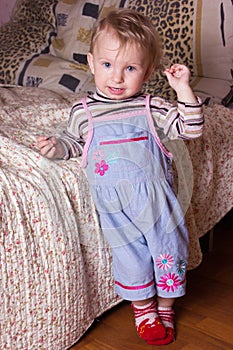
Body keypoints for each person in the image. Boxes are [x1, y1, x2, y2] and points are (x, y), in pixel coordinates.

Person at [37, 8, 204, 346]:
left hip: (157, 203)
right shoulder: (83, 112)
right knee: (131, 258)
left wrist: (183, 89)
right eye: (108, 65)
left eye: (130, 68)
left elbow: (192, 128)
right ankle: (144, 310)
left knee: (168, 250)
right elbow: (74, 141)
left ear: (147, 72)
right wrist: (57, 147)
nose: (116, 78)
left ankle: (166, 306)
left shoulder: (151, 107)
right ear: (91, 62)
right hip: (114, 207)